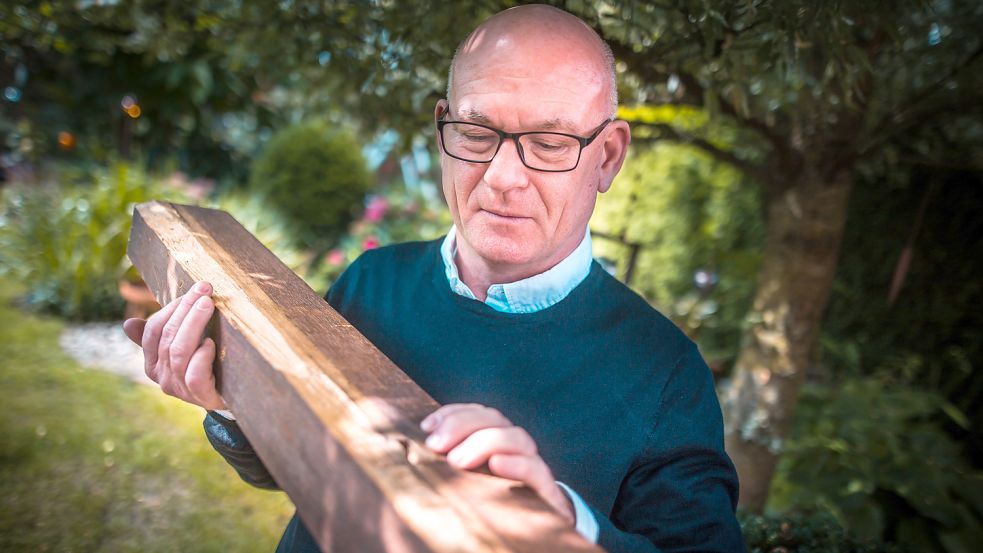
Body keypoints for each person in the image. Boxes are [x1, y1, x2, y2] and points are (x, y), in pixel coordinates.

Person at [123, 5, 744, 552]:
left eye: (550, 143)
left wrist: (562, 526)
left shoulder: (667, 373)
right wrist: (228, 404)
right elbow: (291, 462)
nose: (503, 175)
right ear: (444, 129)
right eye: (477, 133)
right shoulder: (372, 280)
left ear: (607, 156)